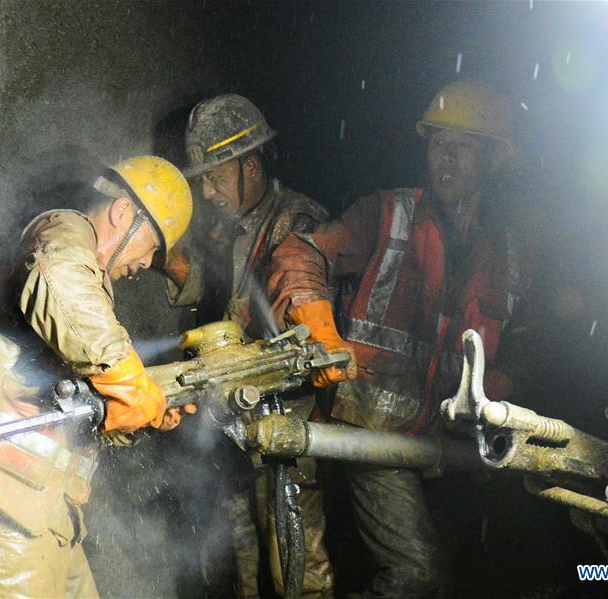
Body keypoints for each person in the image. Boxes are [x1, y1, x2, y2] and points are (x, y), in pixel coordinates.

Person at [268, 80, 534, 597]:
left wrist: (506, 385)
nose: (445, 159)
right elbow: (301, 254)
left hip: (454, 446)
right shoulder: (387, 213)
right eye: (438, 144)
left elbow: (531, 340)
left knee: (461, 574)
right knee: (417, 576)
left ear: (494, 159)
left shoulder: (510, 251)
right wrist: (319, 329)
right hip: (377, 429)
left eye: (462, 147)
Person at [0, 155, 193, 597]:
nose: (148, 263)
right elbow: (60, 279)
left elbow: (72, 406)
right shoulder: (62, 234)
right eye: (152, 246)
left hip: (44, 511)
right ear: (122, 211)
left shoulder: (88, 290)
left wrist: (136, 416)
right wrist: (130, 382)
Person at [163, 94, 333, 598]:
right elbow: (224, 296)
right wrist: (170, 263)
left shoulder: (297, 222)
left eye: (215, 177)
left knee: (293, 554)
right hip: (234, 411)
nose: (207, 191)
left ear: (251, 166)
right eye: (203, 180)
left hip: (284, 410)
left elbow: (301, 309)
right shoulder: (230, 227)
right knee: (241, 552)